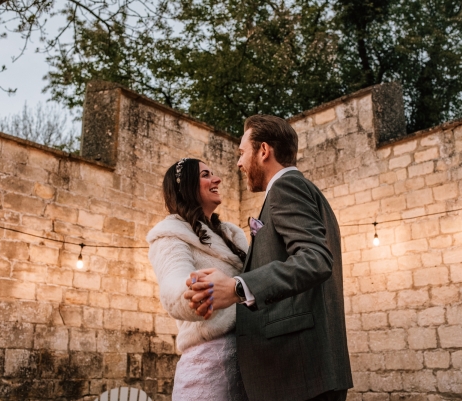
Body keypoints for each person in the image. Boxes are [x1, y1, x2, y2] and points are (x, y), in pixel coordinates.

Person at [185, 115, 353, 401]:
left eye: (242, 152)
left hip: (297, 375)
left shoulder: (287, 188)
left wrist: (237, 287)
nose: (238, 163)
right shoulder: (303, 190)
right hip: (308, 373)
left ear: (263, 151)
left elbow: (315, 259)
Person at [146, 158, 249, 401]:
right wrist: (193, 293)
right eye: (205, 175)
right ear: (188, 187)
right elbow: (173, 284)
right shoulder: (170, 236)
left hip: (251, 364)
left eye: (213, 173)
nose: (217, 179)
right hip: (209, 367)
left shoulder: (233, 234)